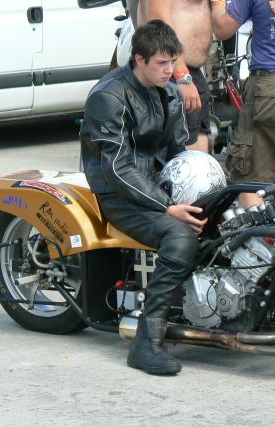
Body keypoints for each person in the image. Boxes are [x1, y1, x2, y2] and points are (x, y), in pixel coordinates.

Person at [80, 20, 207, 374]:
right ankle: (145, 343)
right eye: (162, 63)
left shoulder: (169, 92)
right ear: (139, 59)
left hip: (159, 189)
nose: (170, 70)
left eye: (173, 62)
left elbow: (177, 153)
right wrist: (168, 206)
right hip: (119, 194)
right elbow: (117, 167)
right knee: (179, 237)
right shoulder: (108, 97)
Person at [210, 0, 275, 208]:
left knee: (251, 179)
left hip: (270, 86)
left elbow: (222, 28)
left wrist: (217, 3)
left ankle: (257, 228)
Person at [133, 0, 213, 153]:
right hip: (174, 71)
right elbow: (158, 22)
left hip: (185, 70)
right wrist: (182, 75)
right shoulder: (175, 72)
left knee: (194, 138)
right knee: (182, 146)